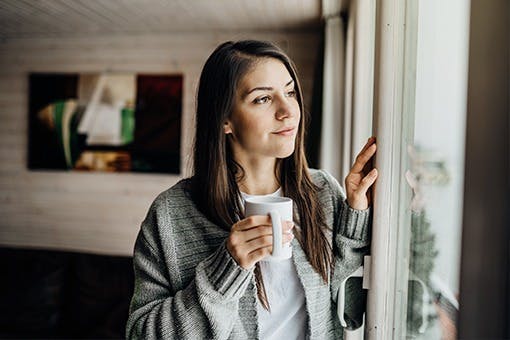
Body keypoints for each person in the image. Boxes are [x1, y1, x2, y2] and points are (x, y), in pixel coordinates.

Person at [126, 40, 378, 340]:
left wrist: (356, 216)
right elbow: (142, 335)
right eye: (262, 99)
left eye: (290, 92)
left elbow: (350, 313)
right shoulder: (171, 214)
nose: (288, 111)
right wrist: (227, 269)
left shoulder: (322, 191)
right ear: (225, 120)